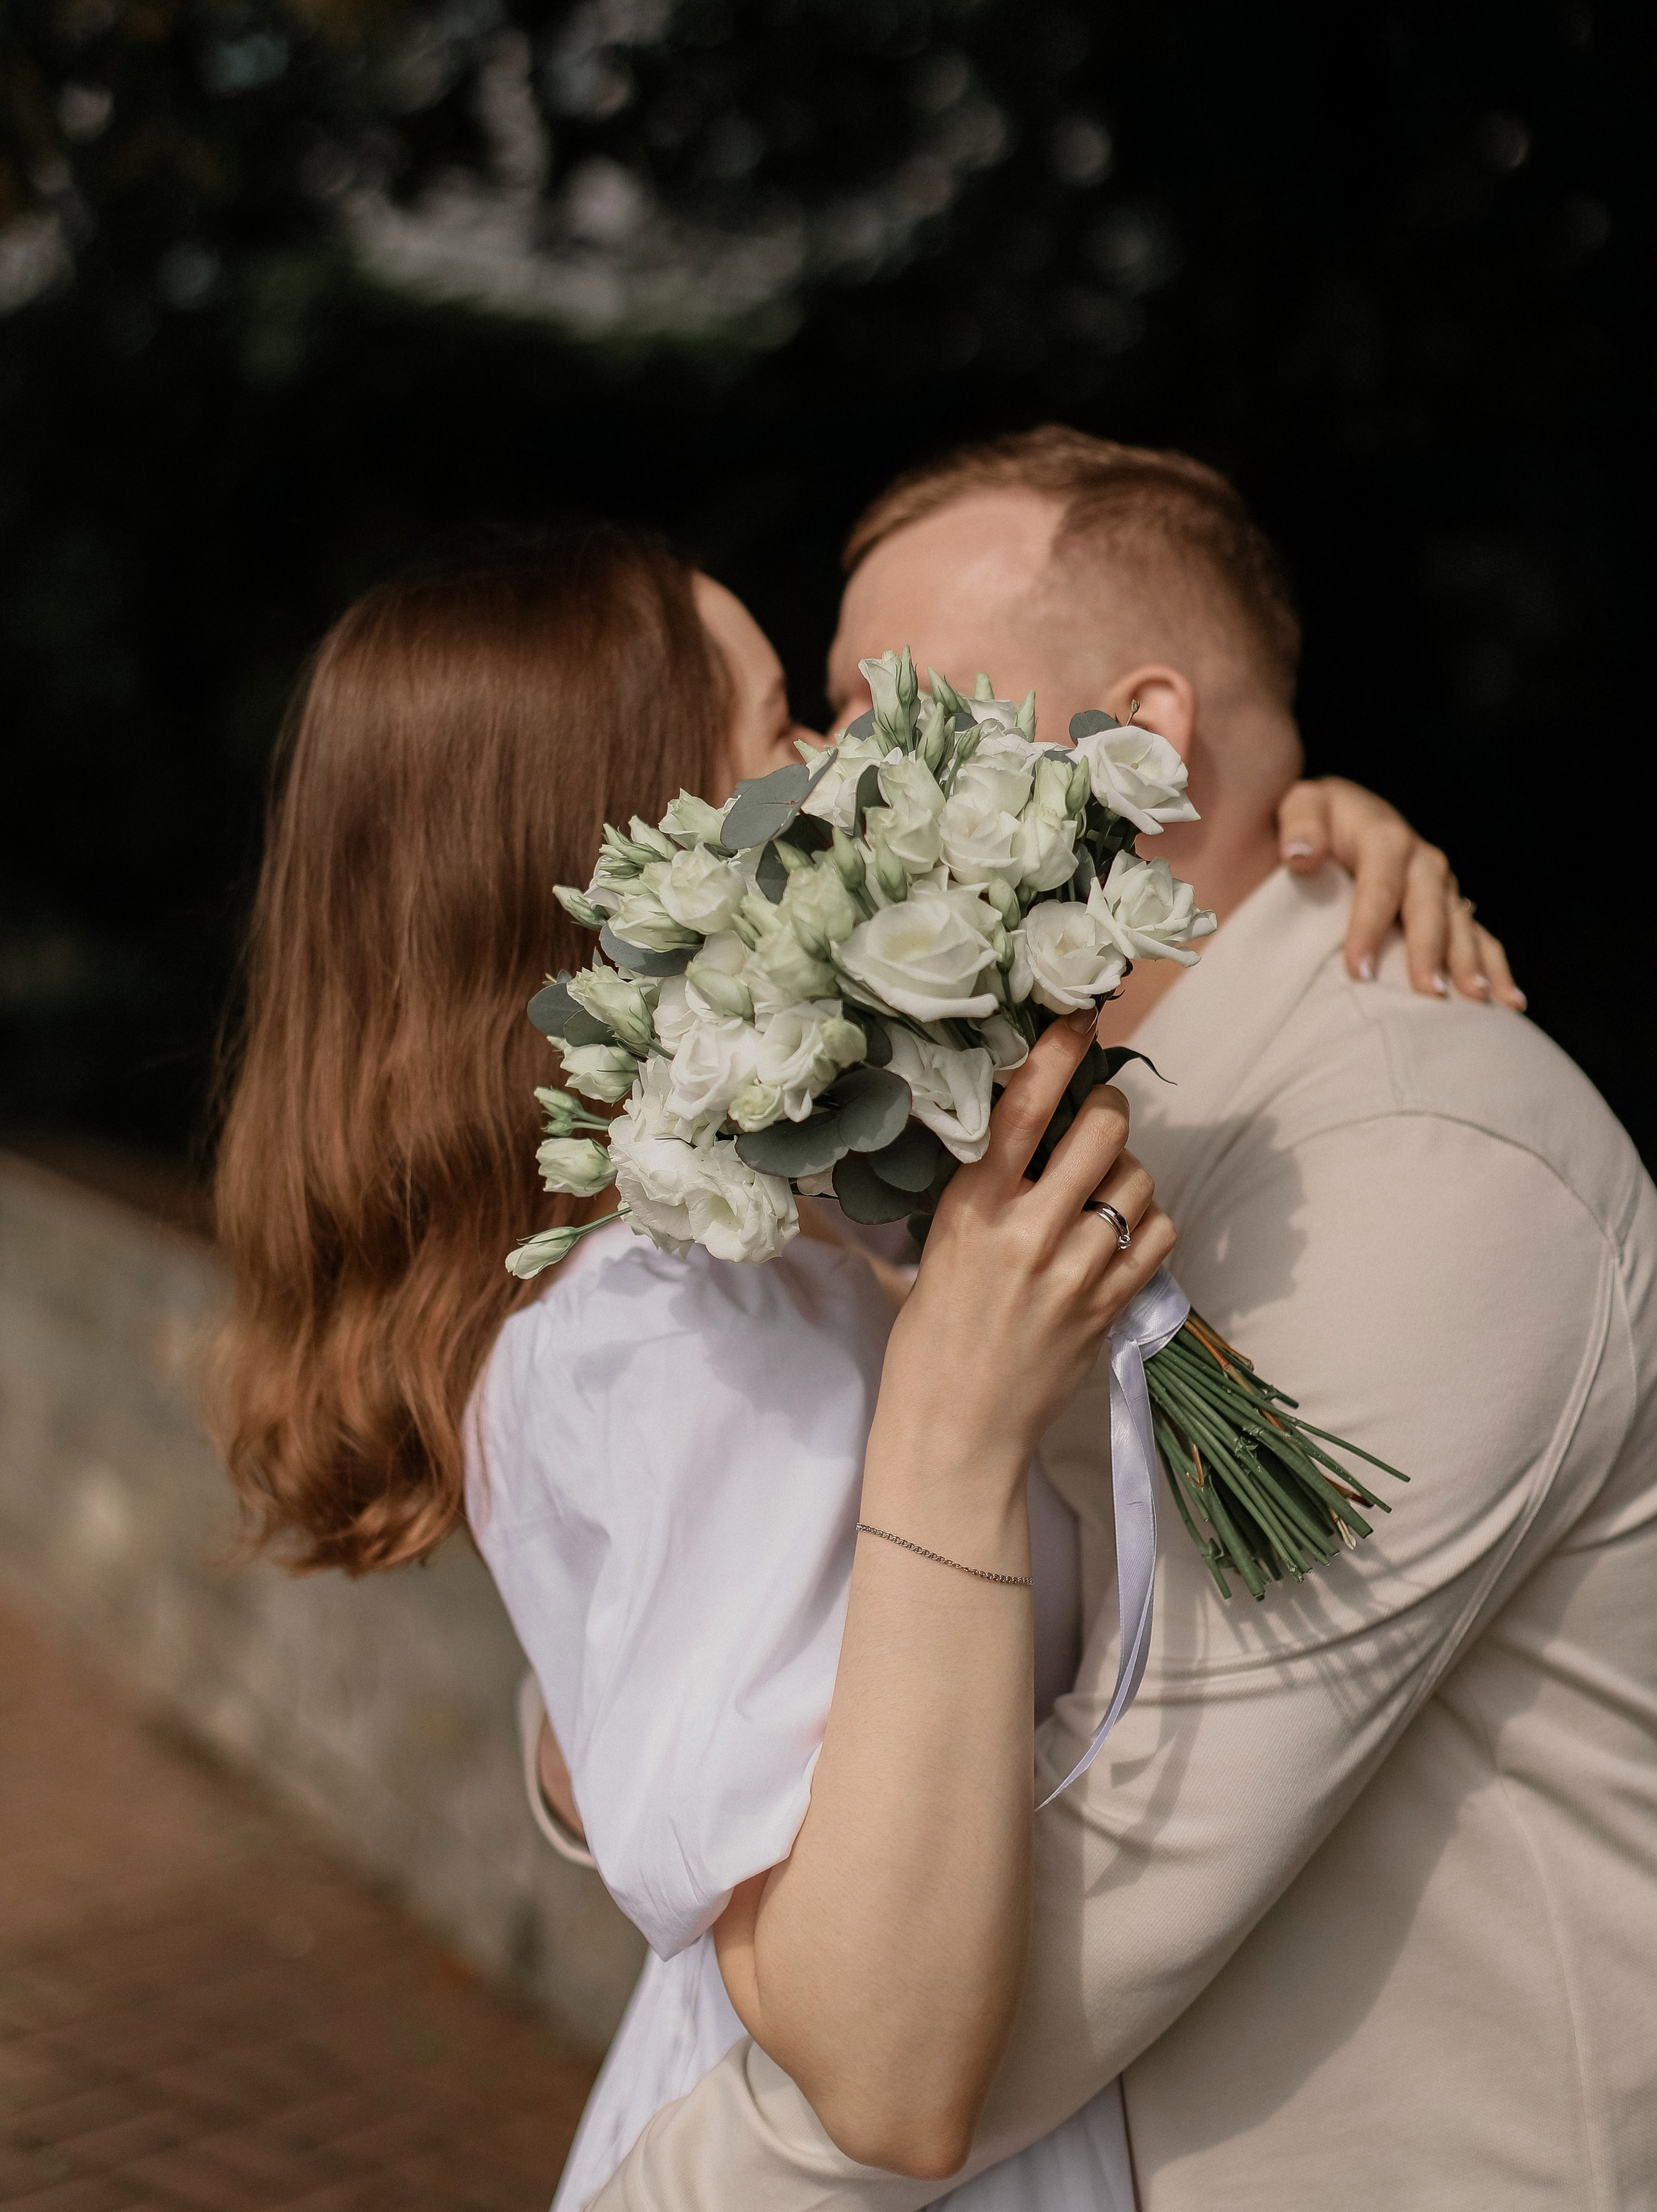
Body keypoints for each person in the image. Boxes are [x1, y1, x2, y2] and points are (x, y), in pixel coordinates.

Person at [210, 519, 1511, 2211]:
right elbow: (882, 2077)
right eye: (777, 721)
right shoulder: (664, 1320)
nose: (837, 760)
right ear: (627, 837)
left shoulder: (744, 1238)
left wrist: (1289, 853)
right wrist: (954, 1432)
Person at [584, 432, 1657, 2212]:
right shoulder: (1056, 1120)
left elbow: (1127, 1847)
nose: (825, 790)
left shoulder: (1428, 1161)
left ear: (1140, 737)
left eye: (880, 714)